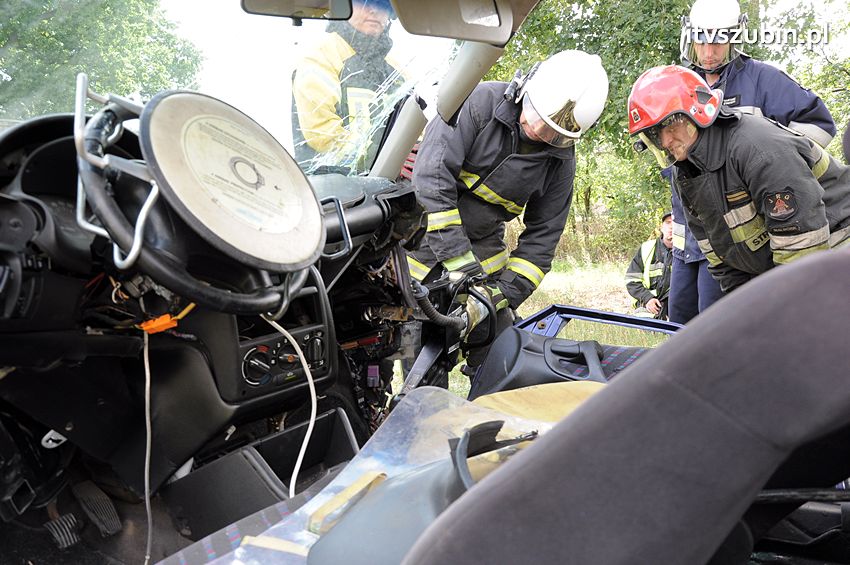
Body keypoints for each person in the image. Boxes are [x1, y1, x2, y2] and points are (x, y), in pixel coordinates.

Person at [407, 50, 609, 371]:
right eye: (535, 114)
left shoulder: (560, 163)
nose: (538, 130)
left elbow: (541, 244)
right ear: (524, 88)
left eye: (553, 133)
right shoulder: (479, 102)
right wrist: (463, 269)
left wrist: (498, 295)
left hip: (485, 260)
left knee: (500, 361)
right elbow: (431, 181)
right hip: (421, 252)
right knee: (422, 367)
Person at [667, 0, 836, 323]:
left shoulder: (763, 79)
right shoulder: (679, 85)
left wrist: (776, 168)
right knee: (680, 322)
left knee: (720, 326)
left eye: (718, 42)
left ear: (735, 37)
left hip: (739, 236)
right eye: (701, 41)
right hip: (691, 237)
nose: (708, 52)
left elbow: (819, 127)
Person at [628, 65, 850, 294]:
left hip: (837, 249)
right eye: (655, 133)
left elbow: (801, 249)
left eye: (670, 125)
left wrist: (783, 305)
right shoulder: (686, 172)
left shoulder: (758, 148)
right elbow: (717, 253)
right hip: (788, 267)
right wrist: (743, 299)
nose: (665, 141)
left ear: (697, 112)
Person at [291, 0, 403, 173]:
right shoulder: (320, 57)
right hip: (330, 185)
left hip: (388, 184)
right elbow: (321, 133)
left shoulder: (398, 72)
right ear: (342, 5)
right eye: (363, 1)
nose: (374, 10)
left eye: (382, 3)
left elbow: (416, 128)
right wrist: (384, 157)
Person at [625, 211, 673, 319]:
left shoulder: (688, 252)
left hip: (673, 304)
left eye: (675, 223)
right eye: (668, 222)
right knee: (644, 323)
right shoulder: (647, 248)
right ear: (661, 227)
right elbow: (631, 280)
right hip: (647, 303)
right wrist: (648, 298)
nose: (671, 227)